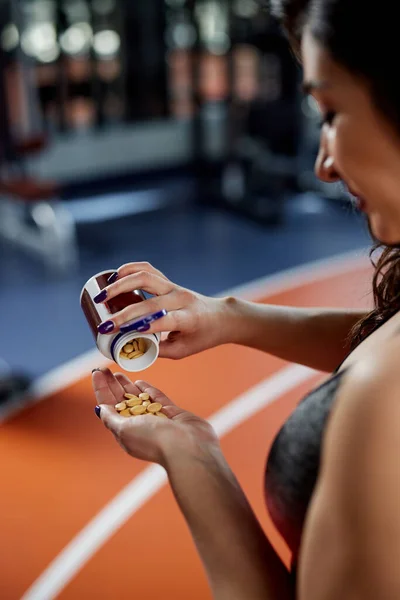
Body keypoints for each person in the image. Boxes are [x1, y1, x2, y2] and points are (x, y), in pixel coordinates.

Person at [92, 1, 400, 597]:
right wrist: (227, 317)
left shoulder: (383, 403)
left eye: (331, 112)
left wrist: (193, 459)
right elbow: (382, 334)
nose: (325, 165)